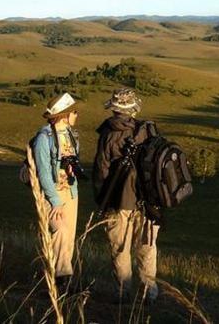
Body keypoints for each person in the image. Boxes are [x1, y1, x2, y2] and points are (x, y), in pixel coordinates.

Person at [93, 88, 161, 302]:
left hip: (118, 201)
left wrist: (102, 202)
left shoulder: (108, 134)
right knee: (147, 248)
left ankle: (123, 293)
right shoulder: (147, 131)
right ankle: (149, 292)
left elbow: (101, 172)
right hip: (147, 202)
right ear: (133, 109)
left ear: (114, 109)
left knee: (120, 249)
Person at [32, 92, 81, 291]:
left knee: (68, 238)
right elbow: (43, 172)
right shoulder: (44, 138)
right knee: (59, 231)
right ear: (64, 114)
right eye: (74, 112)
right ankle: (58, 279)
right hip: (53, 195)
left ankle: (62, 281)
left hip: (71, 193)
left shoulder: (72, 135)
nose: (77, 115)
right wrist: (54, 200)